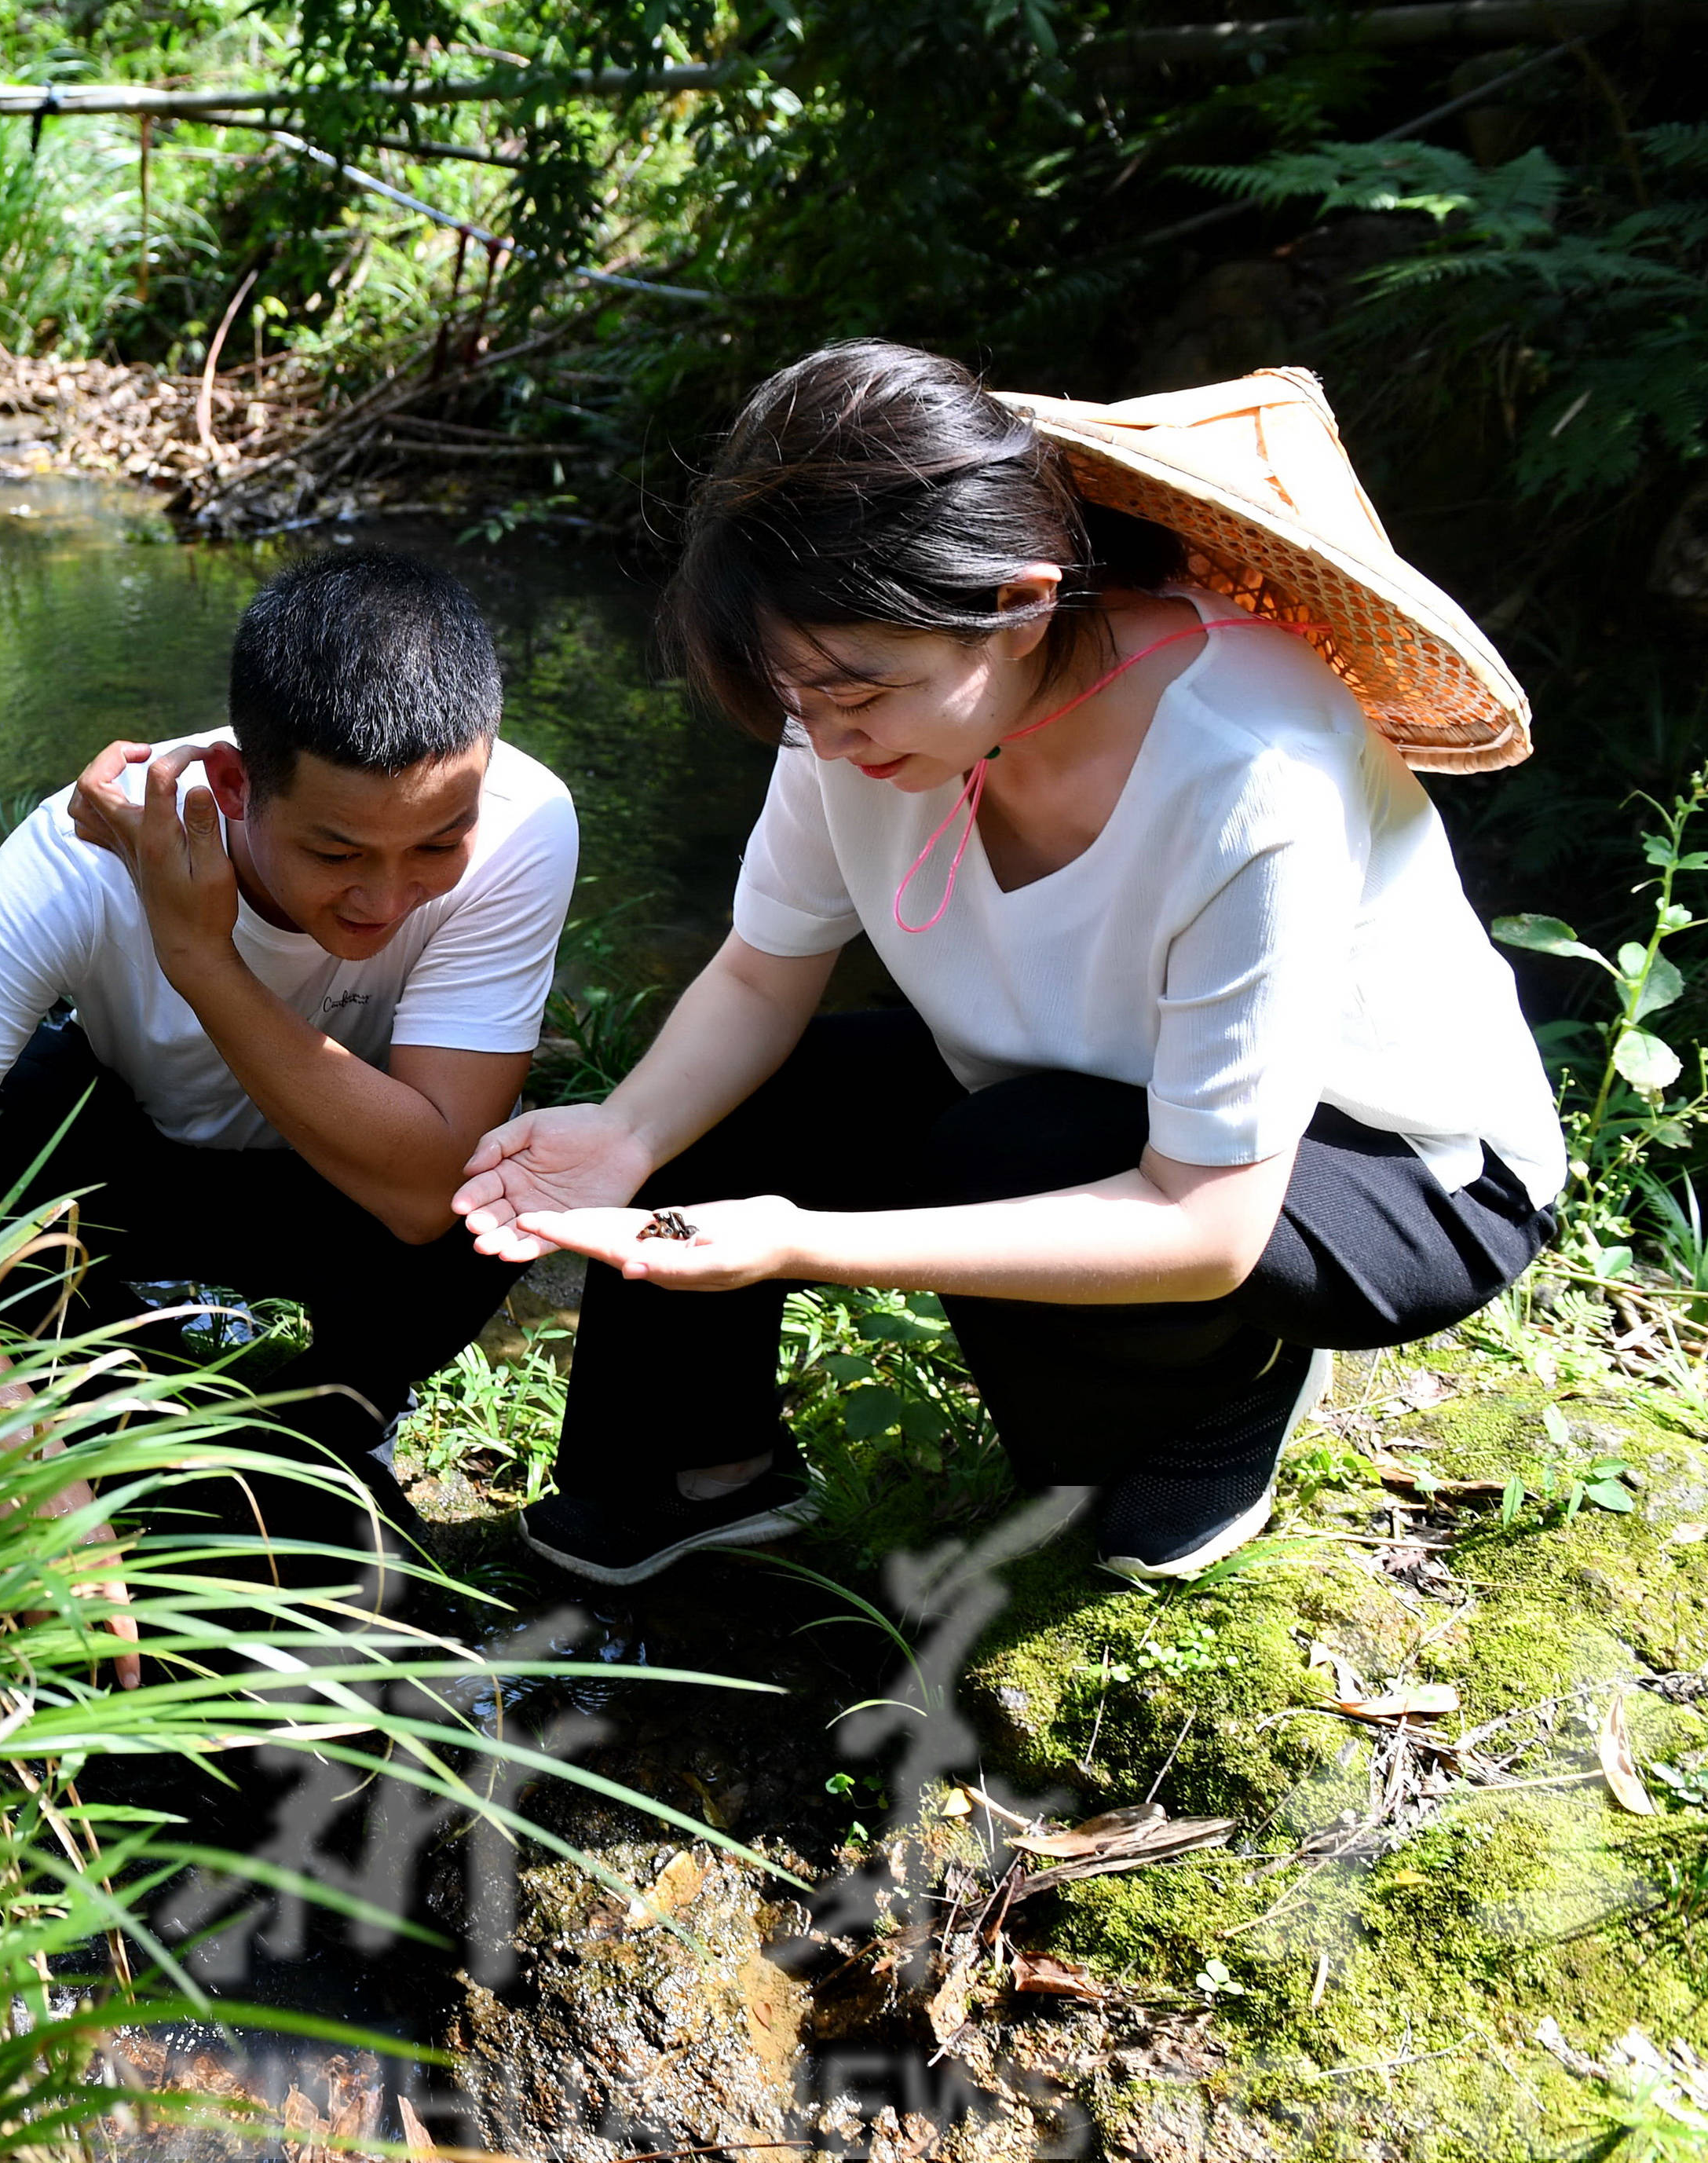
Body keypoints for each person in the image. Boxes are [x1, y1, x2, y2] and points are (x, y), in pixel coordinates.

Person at [453, 343, 1564, 1588]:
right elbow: (764, 975)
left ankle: (1224, 1394)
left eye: (857, 691)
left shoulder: (1252, 768)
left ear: (1023, 603)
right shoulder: (849, 712)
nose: (820, 736)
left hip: (1381, 1167)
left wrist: (803, 1239)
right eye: (790, 694)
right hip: (1079, 1083)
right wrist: (623, 1133)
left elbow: (1205, 1220)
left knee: (1011, 1154)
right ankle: (697, 1471)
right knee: (720, 1102)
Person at [0, 547, 580, 1588]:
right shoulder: (86, 847)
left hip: (345, 1188)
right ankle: (79, 1382)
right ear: (234, 780)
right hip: (132, 1167)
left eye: (435, 848)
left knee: (502, 1181)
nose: (385, 900)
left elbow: (421, 1192)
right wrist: (14, 1443)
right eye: (338, 853)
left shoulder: (525, 823)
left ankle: (329, 1424)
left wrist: (199, 955)